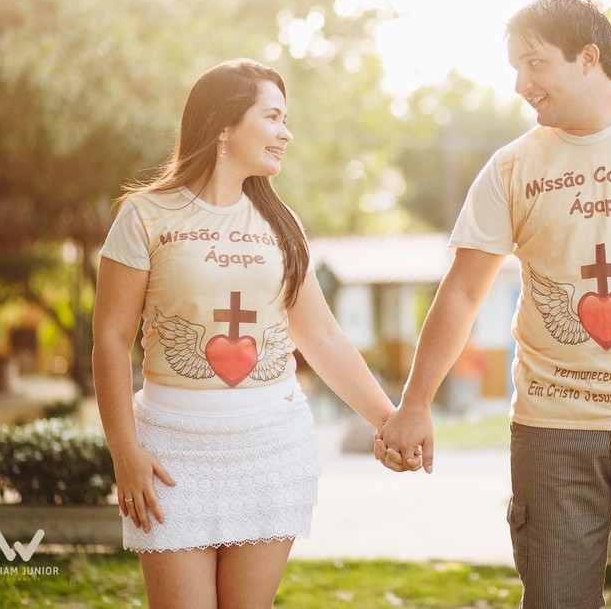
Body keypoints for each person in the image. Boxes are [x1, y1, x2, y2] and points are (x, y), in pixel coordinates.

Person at [376, 0, 611, 608]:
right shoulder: (510, 168)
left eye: (534, 64)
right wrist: (416, 401)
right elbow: (462, 292)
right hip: (551, 428)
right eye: (514, 70)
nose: (522, 84)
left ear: (587, 58)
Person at [93, 59, 397, 609]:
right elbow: (111, 339)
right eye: (273, 116)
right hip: (172, 452)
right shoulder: (145, 215)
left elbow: (322, 337)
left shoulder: (282, 225)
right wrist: (124, 450)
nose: (286, 132)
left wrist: (388, 419)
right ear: (225, 125)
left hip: (270, 446)